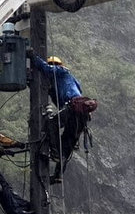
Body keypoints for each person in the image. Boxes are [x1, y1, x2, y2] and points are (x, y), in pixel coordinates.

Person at [28, 52, 97, 183]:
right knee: (67, 143)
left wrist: (33, 57)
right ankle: (58, 174)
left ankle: (55, 152)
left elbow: (47, 69)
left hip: (73, 107)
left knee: (51, 124)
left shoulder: (61, 71)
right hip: (81, 115)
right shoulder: (68, 80)